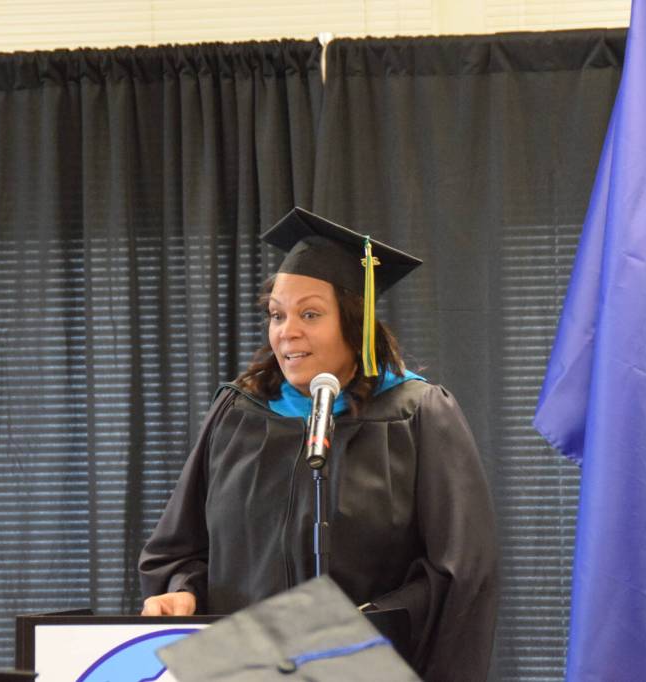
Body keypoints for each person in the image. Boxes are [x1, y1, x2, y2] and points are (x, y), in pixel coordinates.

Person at [138, 207, 498, 681]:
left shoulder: (415, 413)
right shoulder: (239, 414)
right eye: (277, 315)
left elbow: (457, 574)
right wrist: (184, 590)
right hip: (240, 670)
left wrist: (358, 628)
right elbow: (179, 550)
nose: (287, 331)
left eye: (310, 314)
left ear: (356, 323)